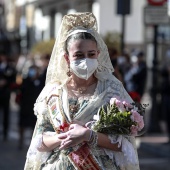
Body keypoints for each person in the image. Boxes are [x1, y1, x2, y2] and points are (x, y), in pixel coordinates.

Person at [24, 12, 140, 170]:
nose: (85, 60)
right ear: (67, 58)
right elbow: (40, 140)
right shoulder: (54, 92)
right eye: (78, 55)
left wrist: (88, 135)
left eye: (91, 54)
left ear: (98, 54)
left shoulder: (111, 89)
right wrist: (63, 137)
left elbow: (124, 144)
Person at [0, 52, 16, 141]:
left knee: (6, 113)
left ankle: (5, 132)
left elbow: (13, 79)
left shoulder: (10, 67)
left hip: (5, 93)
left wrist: (6, 83)